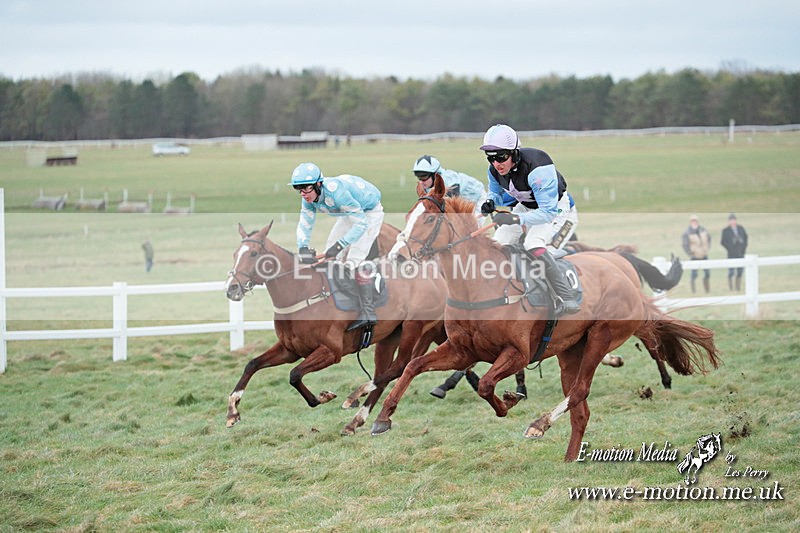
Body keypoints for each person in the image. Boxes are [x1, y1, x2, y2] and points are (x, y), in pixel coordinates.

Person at [478, 123, 580, 314]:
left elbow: (547, 212)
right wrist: (490, 202)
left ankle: (566, 296)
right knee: (498, 242)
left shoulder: (538, 169)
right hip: (527, 207)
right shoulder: (494, 171)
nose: (496, 163)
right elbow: (496, 194)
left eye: (501, 157)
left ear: (514, 153)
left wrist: (516, 219)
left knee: (533, 243)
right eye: (491, 158)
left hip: (556, 209)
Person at [291, 162, 385, 331]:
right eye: (299, 189)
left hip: (369, 213)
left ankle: (368, 313)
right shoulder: (308, 198)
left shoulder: (337, 193)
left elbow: (361, 224)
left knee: (352, 260)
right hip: (348, 214)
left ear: (318, 184)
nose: (303, 193)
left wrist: (340, 245)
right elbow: (305, 222)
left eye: (306, 188)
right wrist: (303, 247)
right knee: (331, 259)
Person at [412, 155, 487, 217]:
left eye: (424, 177)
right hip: (463, 199)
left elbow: (452, 210)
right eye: (419, 177)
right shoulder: (427, 185)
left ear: (435, 174)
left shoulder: (449, 182)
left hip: (478, 197)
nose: (421, 182)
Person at [682, 214, 712, 293]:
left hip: (704, 255)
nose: (694, 222)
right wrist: (690, 253)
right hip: (695, 256)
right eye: (692, 221)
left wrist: (707, 248)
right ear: (690, 222)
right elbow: (685, 245)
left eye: (695, 221)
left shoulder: (703, 230)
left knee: (707, 273)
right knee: (694, 274)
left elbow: (709, 239)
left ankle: (707, 290)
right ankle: (693, 291)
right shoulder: (687, 232)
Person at [720, 213, 748, 291]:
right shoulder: (725, 231)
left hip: (740, 253)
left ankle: (737, 287)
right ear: (729, 221)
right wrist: (730, 247)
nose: (733, 222)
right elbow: (723, 242)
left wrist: (743, 247)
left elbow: (745, 238)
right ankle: (731, 287)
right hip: (731, 253)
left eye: (734, 220)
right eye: (731, 220)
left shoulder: (741, 228)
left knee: (740, 271)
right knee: (731, 271)